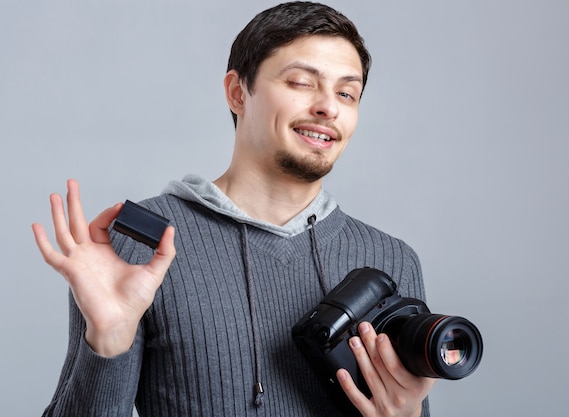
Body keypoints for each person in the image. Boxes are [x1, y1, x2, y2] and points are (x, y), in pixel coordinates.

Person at [32, 2, 435, 416]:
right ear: (238, 92)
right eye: (301, 82)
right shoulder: (141, 246)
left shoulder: (392, 260)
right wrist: (108, 341)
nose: (328, 107)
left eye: (347, 93)